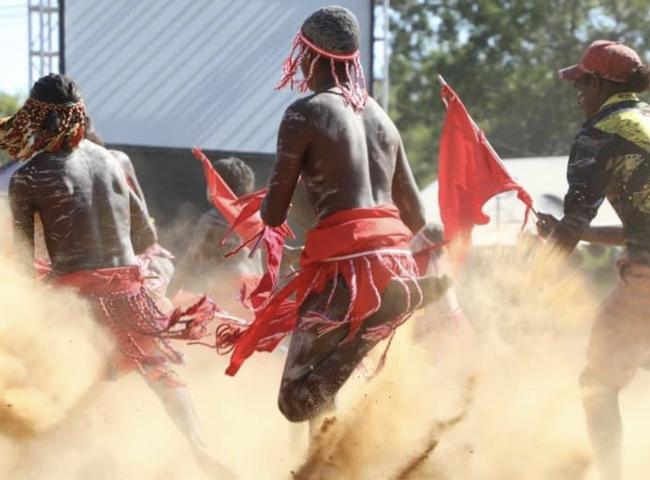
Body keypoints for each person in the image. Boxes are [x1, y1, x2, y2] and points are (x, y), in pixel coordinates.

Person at [220, 6, 450, 425]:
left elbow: (272, 214)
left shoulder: (302, 114)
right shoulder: (382, 118)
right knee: (324, 391)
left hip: (346, 270)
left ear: (311, 56)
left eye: (302, 55)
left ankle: (366, 331)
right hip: (395, 262)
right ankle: (327, 468)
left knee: (295, 400)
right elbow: (416, 215)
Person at [2, 74, 235, 479]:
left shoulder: (28, 177)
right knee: (157, 368)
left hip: (77, 303)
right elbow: (144, 235)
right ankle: (196, 442)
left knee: (51, 388)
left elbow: (23, 267)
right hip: (133, 293)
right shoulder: (111, 160)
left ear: (40, 121)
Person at [536, 40, 650, 480]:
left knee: (596, 385)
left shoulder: (600, 132)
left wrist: (536, 277)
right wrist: (577, 233)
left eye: (581, 82)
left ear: (601, 82)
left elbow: (576, 215)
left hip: (644, 284)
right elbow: (640, 224)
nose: (577, 93)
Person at [170, 156, 261, 308]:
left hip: (229, 292)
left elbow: (188, 261)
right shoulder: (256, 218)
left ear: (215, 187)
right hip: (256, 291)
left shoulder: (212, 219)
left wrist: (168, 296)